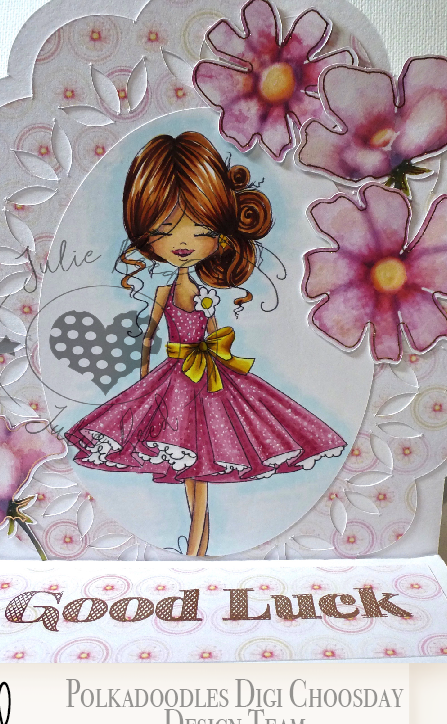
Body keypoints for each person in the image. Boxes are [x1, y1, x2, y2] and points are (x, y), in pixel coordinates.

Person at [65, 132, 345, 556]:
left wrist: (222, 359)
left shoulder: (205, 292)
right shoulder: (163, 289)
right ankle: (197, 544)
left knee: (206, 458)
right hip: (172, 380)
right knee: (186, 461)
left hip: (210, 377)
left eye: (199, 229)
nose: (182, 242)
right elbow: (150, 336)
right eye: (164, 229)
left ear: (221, 233)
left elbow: (216, 335)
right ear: (146, 235)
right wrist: (144, 385)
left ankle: (199, 544)